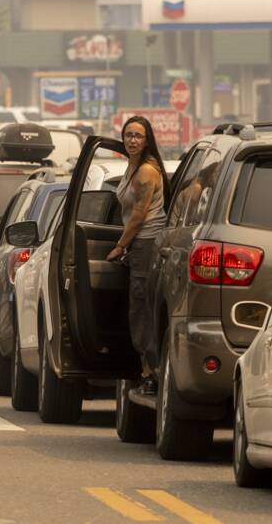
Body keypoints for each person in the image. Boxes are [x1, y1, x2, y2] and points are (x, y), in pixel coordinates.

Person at [107, 116, 170, 393]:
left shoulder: (146, 171)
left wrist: (121, 245)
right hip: (138, 245)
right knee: (138, 308)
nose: (133, 140)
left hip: (145, 244)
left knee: (142, 310)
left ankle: (151, 373)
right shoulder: (132, 167)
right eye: (129, 135)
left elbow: (139, 215)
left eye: (138, 136)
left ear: (147, 141)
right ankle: (147, 368)